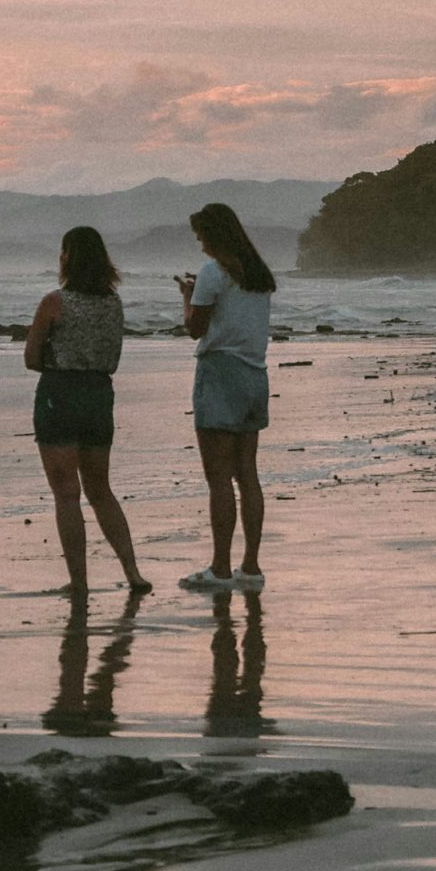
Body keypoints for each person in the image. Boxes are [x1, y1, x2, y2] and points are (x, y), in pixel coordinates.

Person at [25, 226, 150, 597]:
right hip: (99, 395)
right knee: (101, 490)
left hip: (59, 394)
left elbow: (31, 358)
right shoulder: (113, 303)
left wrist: (52, 353)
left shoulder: (54, 302)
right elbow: (113, 355)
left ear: (69, 258)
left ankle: (79, 581)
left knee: (67, 494)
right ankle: (132, 571)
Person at [176, 201, 274, 591]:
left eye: (201, 236)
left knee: (218, 477)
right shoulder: (258, 275)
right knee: (246, 473)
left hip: (220, 373)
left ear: (214, 236)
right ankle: (250, 565)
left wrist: (187, 296)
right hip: (255, 373)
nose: (199, 244)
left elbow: (195, 329)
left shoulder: (212, 273)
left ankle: (220, 566)